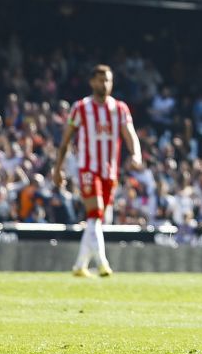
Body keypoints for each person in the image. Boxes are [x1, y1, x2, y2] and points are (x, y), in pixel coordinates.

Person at [52, 64, 143, 278]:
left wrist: (136, 154)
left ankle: (79, 266)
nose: (105, 84)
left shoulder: (120, 108)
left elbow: (130, 133)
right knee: (95, 212)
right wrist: (58, 169)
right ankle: (102, 263)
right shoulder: (81, 108)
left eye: (108, 80)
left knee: (97, 218)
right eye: (101, 80)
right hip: (88, 168)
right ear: (92, 82)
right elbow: (65, 141)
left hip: (109, 171)